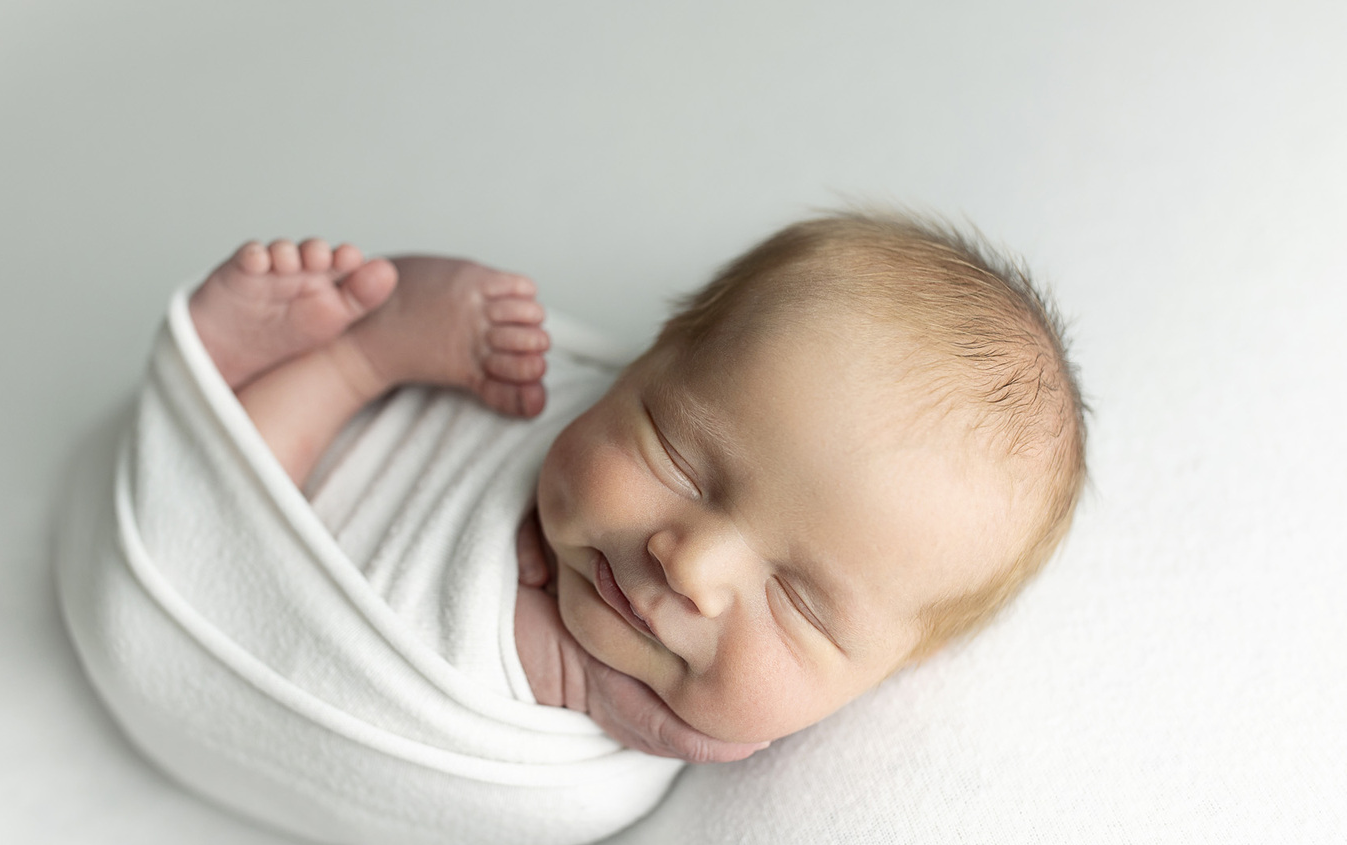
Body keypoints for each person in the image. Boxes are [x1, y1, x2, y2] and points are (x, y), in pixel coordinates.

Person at [184, 212, 1086, 764]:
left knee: (226, 584)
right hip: (251, 512)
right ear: (646, 358)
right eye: (683, 459)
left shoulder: (648, 748)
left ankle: (318, 368)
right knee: (215, 536)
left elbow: (355, 717)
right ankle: (342, 357)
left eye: (798, 602)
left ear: (886, 674)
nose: (692, 563)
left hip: (249, 645)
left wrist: (572, 678)